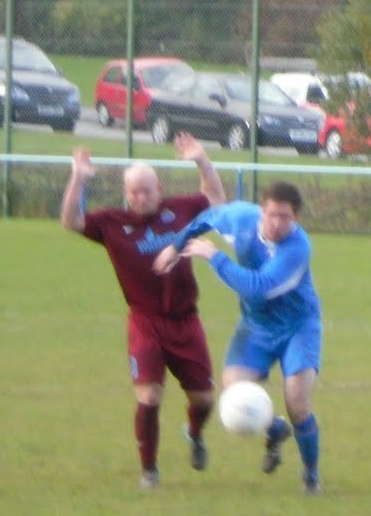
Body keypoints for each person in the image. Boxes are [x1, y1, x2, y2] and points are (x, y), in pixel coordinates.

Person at [60, 132, 226, 490]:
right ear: (126, 192)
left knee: (204, 400)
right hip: (145, 322)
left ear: (158, 187)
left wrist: (202, 159)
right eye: (133, 191)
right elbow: (70, 220)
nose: (139, 197)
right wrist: (78, 176)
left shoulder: (180, 210)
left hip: (185, 320)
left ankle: (195, 434)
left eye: (146, 190)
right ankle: (149, 470)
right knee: (149, 397)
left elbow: (216, 199)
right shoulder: (111, 223)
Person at [155, 181, 324, 495]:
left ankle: (311, 474)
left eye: (285, 217)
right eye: (272, 214)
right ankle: (275, 430)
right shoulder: (241, 218)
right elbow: (205, 219)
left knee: (297, 403)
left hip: (298, 328)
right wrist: (176, 246)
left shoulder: (298, 248)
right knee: (234, 389)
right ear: (262, 211)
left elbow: (258, 286)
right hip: (256, 326)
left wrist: (214, 256)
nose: (277, 223)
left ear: (296, 218)